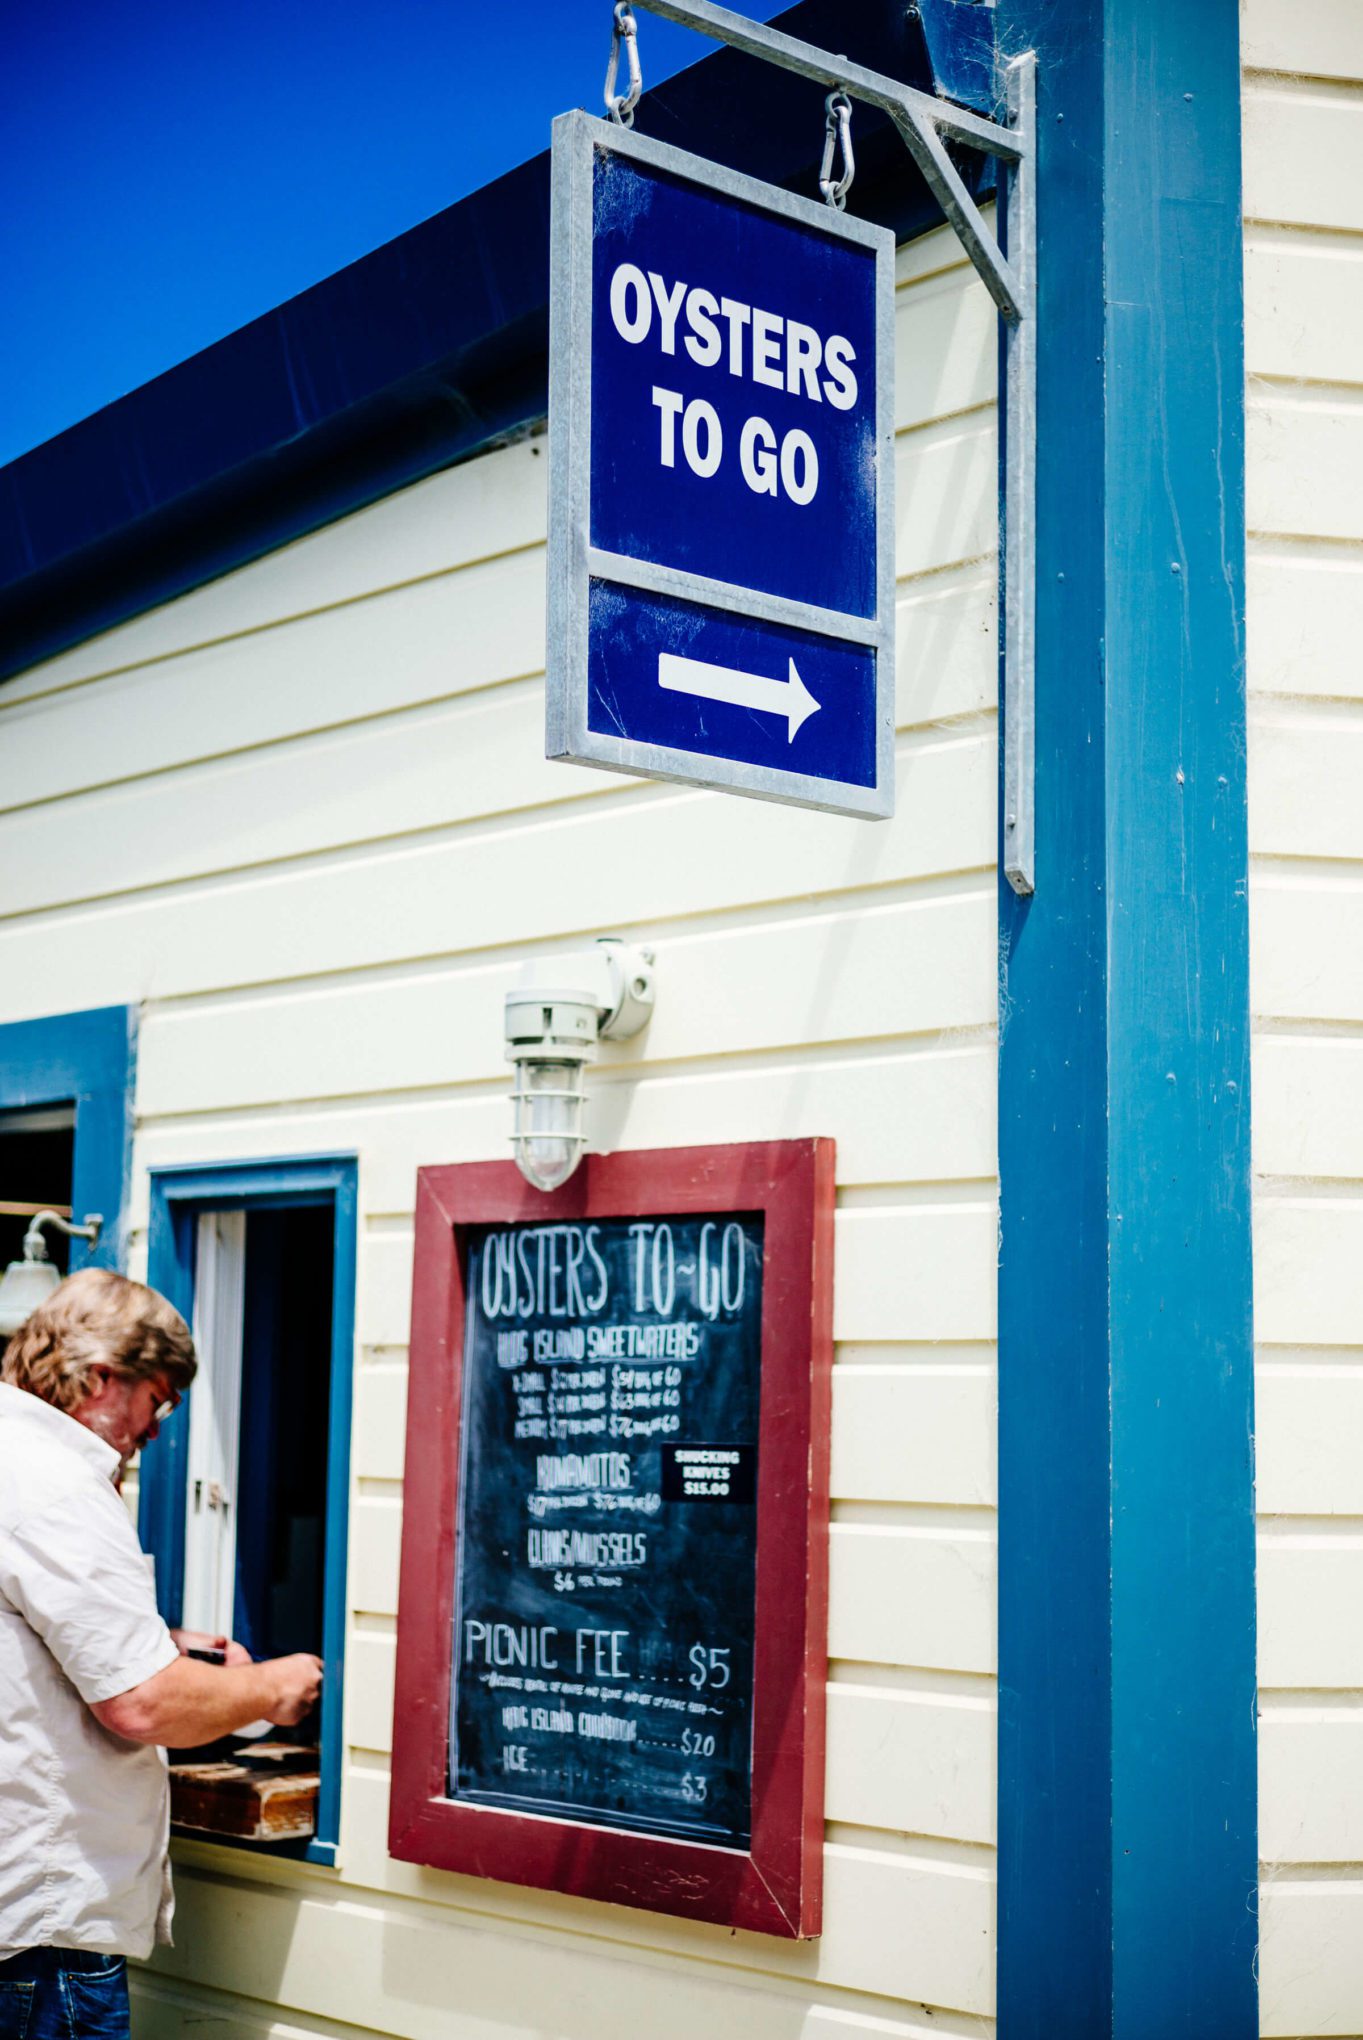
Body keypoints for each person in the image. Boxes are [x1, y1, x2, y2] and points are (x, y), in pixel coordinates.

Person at [0, 1268, 323, 2038]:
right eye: (160, 1397)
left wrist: (158, 1643)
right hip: (37, 1937)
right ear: (102, 1377)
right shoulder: (59, 1488)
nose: (159, 1426)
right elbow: (142, 1703)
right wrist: (273, 1688)